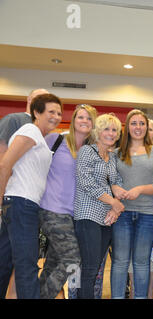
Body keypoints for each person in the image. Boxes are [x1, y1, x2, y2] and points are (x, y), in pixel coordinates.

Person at [0, 93, 63, 299]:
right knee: (27, 264)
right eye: (51, 111)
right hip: (21, 204)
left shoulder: (40, 137)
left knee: (5, 262)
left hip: (21, 205)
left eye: (59, 113)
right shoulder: (30, 130)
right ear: (36, 112)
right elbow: (4, 164)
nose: (56, 116)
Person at [38, 104, 97, 299]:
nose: (84, 121)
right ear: (73, 120)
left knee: (54, 263)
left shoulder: (92, 150)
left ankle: (37, 293)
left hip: (75, 215)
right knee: (73, 259)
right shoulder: (55, 140)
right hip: (51, 210)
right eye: (81, 117)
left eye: (89, 118)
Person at [110, 109, 153, 299]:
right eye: (134, 123)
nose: (138, 127)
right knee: (120, 261)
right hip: (122, 213)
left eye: (142, 124)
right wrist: (116, 188)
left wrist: (140, 189)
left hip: (148, 214)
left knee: (141, 262)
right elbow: (110, 180)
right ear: (127, 127)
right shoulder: (117, 153)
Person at [73, 113, 125, 299]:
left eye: (114, 130)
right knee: (89, 268)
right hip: (87, 216)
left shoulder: (112, 158)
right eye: (106, 129)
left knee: (95, 269)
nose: (111, 133)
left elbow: (117, 183)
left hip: (106, 219)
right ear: (98, 131)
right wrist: (113, 202)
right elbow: (86, 183)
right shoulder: (87, 151)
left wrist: (114, 208)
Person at [0, 88, 49, 160]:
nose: (43, 102)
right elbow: (2, 149)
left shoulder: (44, 127)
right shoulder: (13, 119)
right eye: (40, 98)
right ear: (29, 99)